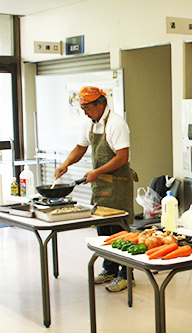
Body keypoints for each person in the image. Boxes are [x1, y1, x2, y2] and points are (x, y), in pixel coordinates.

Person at [54, 86, 136, 292]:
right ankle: (109, 268)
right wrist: (65, 164)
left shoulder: (117, 124)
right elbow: (80, 148)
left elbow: (122, 157)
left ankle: (126, 274)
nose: (85, 112)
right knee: (103, 230)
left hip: (118, 184)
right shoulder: (90, 124)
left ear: (101, 103)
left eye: (87, 107)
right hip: (100, 185)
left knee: (119, 230)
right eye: (82, 108)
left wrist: (97, 171)